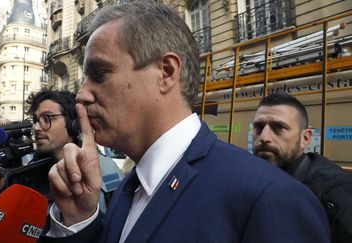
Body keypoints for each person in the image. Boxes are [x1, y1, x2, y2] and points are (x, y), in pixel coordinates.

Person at [40, 1, 330, 242]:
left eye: (100, 73)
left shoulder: (271, 198)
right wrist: (79, 219)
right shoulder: (129, 188)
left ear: (166, 72)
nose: (81, 95)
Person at [252, 91, 352, 243]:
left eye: (278, 127)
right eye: (258, 127)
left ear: (305, 138)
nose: (264, 137)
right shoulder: (250, 179)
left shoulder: (336, 195)